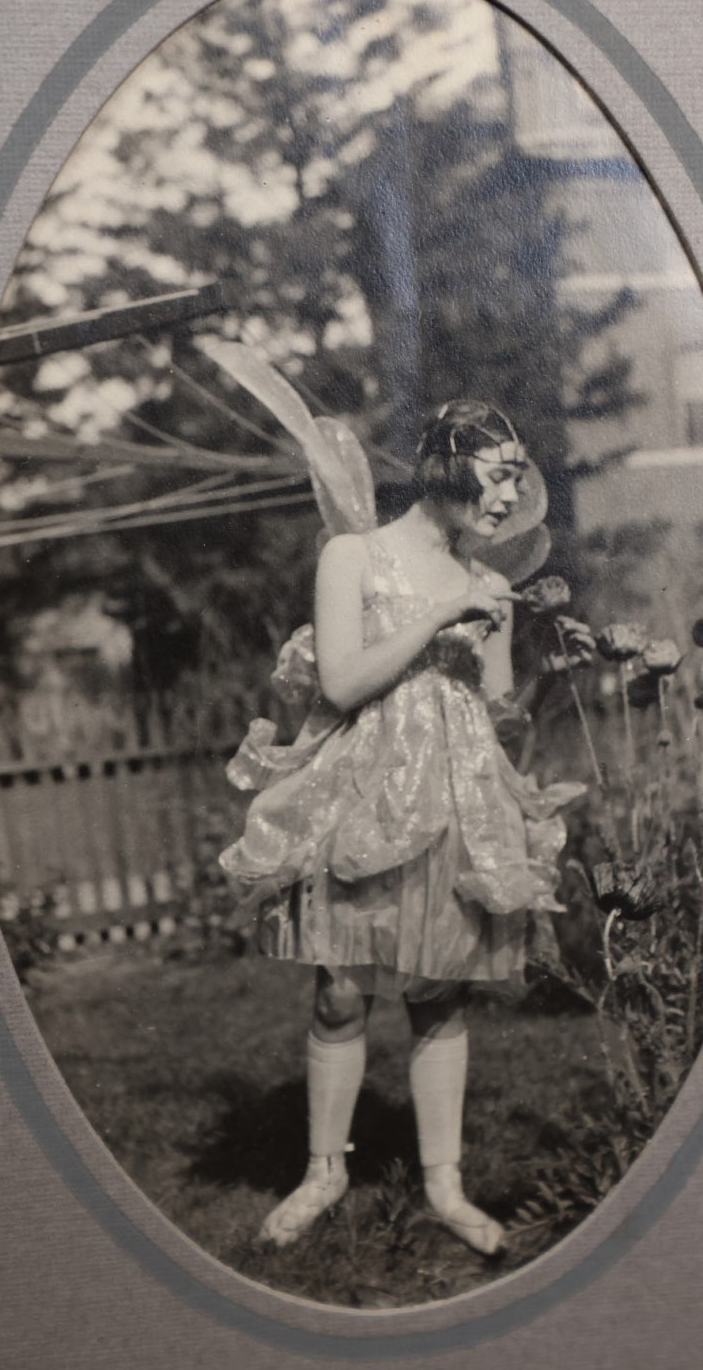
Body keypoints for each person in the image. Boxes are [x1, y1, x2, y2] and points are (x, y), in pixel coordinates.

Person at [220, 399, 581, 1255]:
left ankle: (446, 1187)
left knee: (438, 993)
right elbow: (341, 684)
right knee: (342, 988)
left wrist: (529, 664)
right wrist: (437, 619)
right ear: (449, 466)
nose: (508, 500)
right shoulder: (355, 555)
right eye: (497, 479)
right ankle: (324, 1170)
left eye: (516, 484)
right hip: (364, 794)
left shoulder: (489, 579)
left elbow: (493, 708)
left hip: (456, 795)